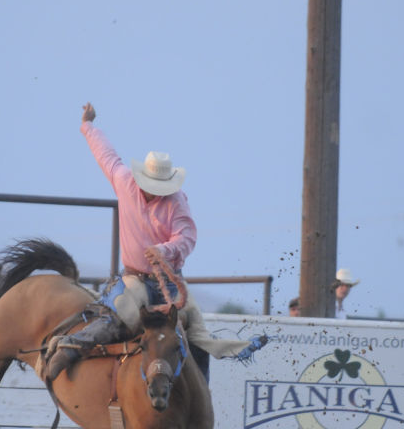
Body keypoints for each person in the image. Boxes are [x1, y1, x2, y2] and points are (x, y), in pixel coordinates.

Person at [44, 103, 267, 381]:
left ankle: (203, 389)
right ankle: (70, 348)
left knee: (196, 330)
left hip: (169, 282)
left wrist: (164, 249)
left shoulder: (176, 202)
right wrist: (88, 126)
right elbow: (106, 154)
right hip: (136, 278)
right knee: (120, 315)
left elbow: (186, 238)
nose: (155, 191)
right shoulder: (125, 182)